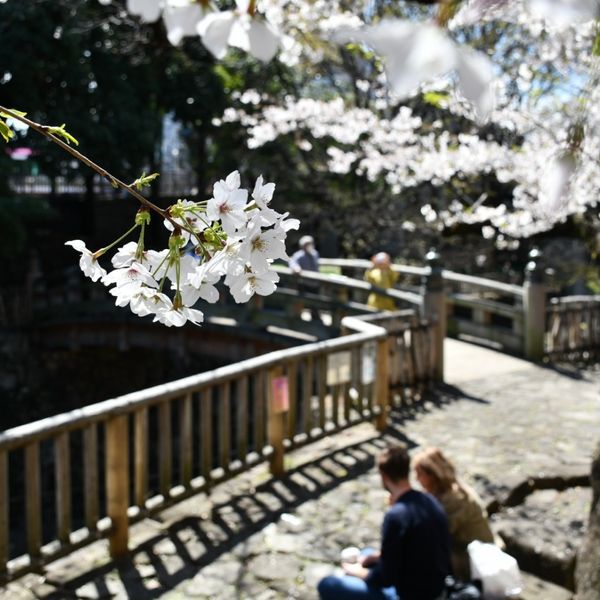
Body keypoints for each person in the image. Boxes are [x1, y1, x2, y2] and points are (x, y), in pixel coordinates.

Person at [318, 444, 451, 600]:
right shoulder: (429, 500)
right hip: (436, 587)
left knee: (327, 584)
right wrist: (377, 558)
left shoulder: (396, 516)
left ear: (383, 475)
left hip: (408, 594)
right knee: (367, 554)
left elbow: (384, 579)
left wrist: (355, 571)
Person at [412, 448, 495, 581]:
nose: (416, 479)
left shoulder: (454, 499)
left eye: (419, 474)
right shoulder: (440, 490)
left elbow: (436, 535)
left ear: (432, 475)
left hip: (473, 554)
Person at [289, 235, 320, 319]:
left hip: (315, 283)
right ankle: (297, 316)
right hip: (305, 283)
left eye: (310, 244)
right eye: (306, 244)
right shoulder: (299, 255)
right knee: (300, 300)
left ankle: (315, 316)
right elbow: (293, 263)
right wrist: (296, 269)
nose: (309, 246)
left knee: (315, 301)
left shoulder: (315, 253)